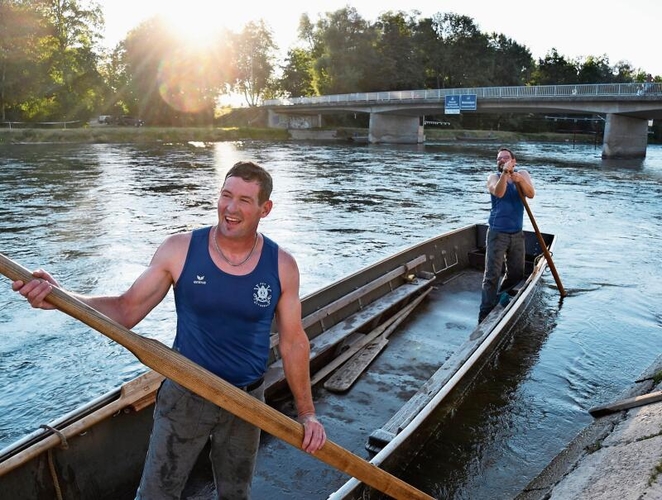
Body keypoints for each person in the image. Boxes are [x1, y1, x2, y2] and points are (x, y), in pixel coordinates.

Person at [12, 161, 327, 499]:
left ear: (265, 209)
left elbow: (293, 343)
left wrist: (307, 414)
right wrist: (60, 298)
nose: (231, 209)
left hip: (246, 401)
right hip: (185, 396)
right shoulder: (180, 250)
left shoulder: (281, 266)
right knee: (156, 495)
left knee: (236, 494)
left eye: (245, 201)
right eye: (226, 195)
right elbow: (125, 309)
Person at [478, 147, 535, 323]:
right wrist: (505, 174)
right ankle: (485, 313)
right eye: (499, 159)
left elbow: (531, 194)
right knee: (492, 275)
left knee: (517, 273)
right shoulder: (493, 177)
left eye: (505, 158)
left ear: (514, 161)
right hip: (497, 233)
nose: (502, 160)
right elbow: (499, 193)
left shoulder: (523, 174)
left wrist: (519, 181)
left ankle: (501, 295)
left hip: (517, 233)